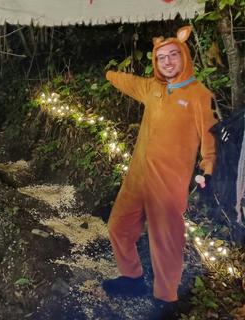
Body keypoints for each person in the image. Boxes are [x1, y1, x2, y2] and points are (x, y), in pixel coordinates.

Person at [102, 26, 217, 312]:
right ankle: (132, 278)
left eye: (172, 55)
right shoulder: (153, 88)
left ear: (184, 56)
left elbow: (210, 136)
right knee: (118, 226)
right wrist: (107, 74)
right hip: (138, 176)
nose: (166, 62)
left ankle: (166, 298)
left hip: (168, 182)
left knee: (166, 241)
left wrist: (208, 167)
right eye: (160, 57)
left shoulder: (199, 94)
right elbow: (129, 82)